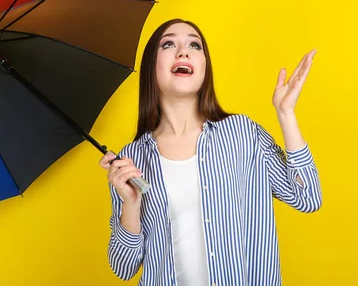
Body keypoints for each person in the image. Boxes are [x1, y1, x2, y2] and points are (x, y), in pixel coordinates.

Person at [99, 18, 322, 286]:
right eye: (168, 44)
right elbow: (124, 267)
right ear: (151, 67)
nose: (183, 52)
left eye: (195, 45)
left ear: (205, 67)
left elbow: (307, 197)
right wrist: (131, 203)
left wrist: (285, 114)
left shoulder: (243, 134)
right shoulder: (131, 160)